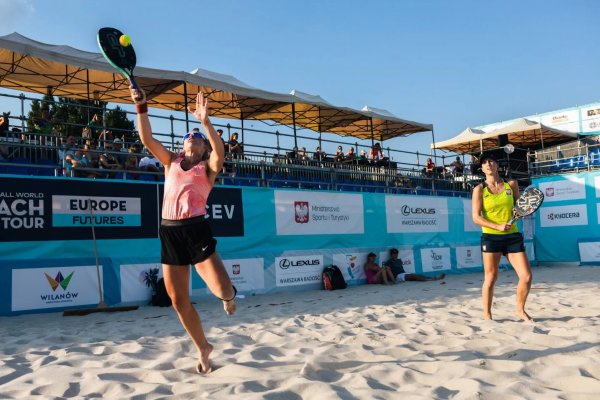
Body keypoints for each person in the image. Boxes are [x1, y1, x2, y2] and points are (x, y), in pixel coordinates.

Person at [130, 86, 236, 374]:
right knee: (178, 301)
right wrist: (141, 107)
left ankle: (228, 298)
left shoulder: (207, 169)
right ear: (182, 146)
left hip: (196, 229)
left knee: (223, 290)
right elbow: (147, 139)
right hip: (169, 231)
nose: (192, 138)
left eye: (197, 138)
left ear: (202, 149)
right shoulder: (171, 163)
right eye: (189, 136)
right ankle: (203, 346)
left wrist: (206, 122)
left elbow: (221, 153)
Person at [471, 153, 533, 322]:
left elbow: (520, 207)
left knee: (526, 276)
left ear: (497, 165)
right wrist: (497, 226)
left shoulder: (511, 184)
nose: (488, 164)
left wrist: (518, 214)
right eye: (484, 163)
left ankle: (520, 310)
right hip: (491, 237)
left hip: (512, 236)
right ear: (482, 168)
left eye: (491, 161)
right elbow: (476, 218)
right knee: (490, 278)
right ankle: (487, 315)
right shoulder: (479, 190)